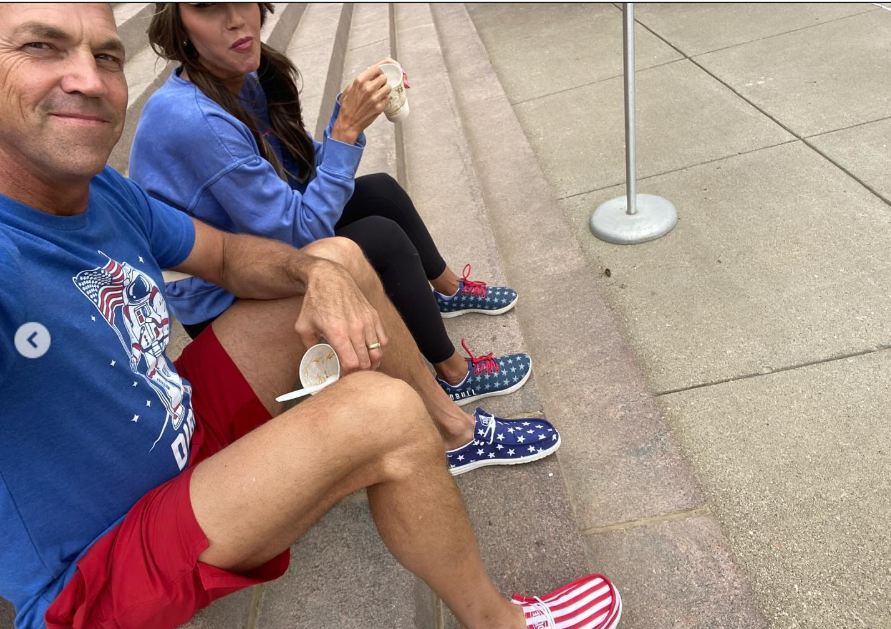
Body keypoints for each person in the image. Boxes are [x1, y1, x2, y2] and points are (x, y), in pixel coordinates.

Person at [0, 4, 622, 629]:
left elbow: (222, 250)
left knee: (340, 257)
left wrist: (315, 273)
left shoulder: (104, 189)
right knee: (383, 413)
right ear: (180, 26)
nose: (87, 78)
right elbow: (292, 219)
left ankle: (454, 427)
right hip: (93, 571)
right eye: (40, 47)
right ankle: (499, 621)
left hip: (178, 421)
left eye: (107, 55)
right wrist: (345, 134)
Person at [129, 2, 529, 409]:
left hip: (257, 241)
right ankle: (454, 376)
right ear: (177, 25)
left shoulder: (238, 77)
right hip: (221, 295)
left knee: (379, 192)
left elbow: (300, 174)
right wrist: (345, 131)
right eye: (208, 7)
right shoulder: (195, 119)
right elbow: (300, 233)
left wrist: (350, 109)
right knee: (380, 240)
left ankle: (446, 290)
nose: (235, 18)